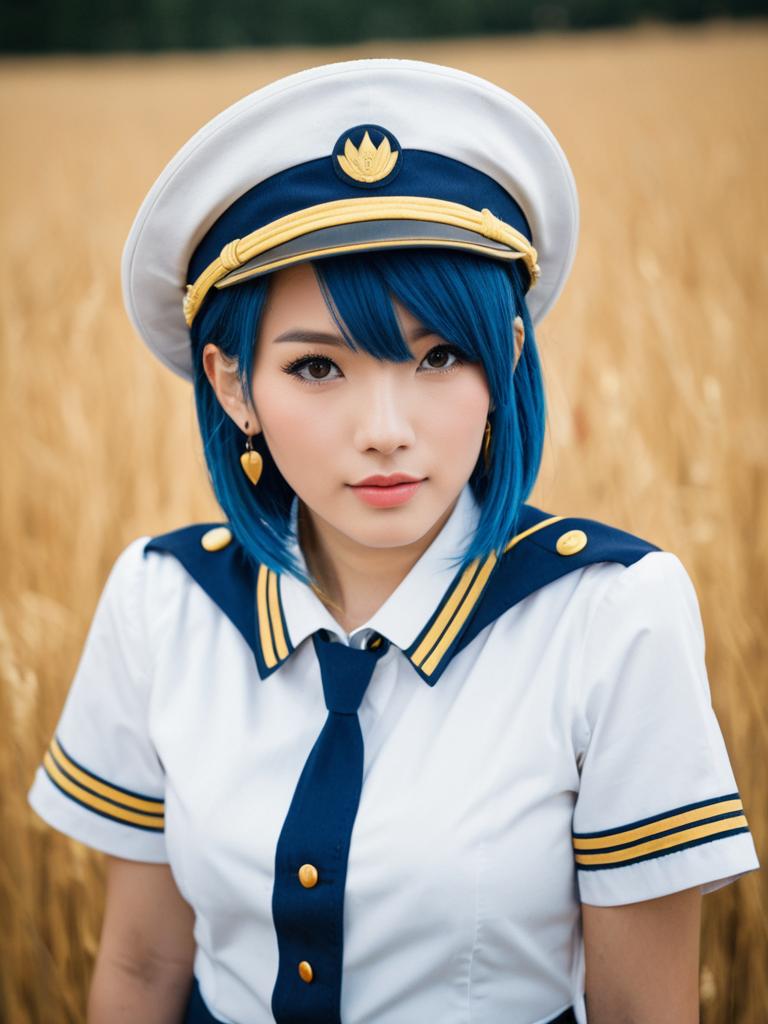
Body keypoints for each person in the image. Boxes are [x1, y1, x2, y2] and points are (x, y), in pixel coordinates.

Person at [27, 57, 759, 1024]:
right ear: (233, 384)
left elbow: (642, 1009)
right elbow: (140, 966)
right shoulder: (165, 601)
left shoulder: (611, 615)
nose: (385, 428)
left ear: (505, 363)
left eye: (439, 356)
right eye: (319, 366)